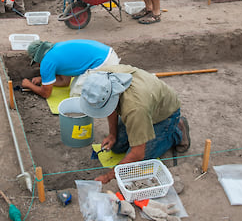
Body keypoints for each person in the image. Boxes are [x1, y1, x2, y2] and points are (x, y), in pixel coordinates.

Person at [60, 65, 191, 185]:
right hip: (146, 104)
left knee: (137, 162)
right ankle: (143, 130)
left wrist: (109, 176)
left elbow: (138, 153)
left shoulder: (135, 108)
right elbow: (111, 107)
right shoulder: (102, 79)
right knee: (116, 147)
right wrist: (112, 134)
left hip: (164, 115)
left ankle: (176, 131)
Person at [20, 39, 120, 98]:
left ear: (37, 58)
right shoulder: (55, 50)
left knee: (76, 93)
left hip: (103, 63)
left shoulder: (47, 62)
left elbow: (46, 93)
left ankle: (104, 94)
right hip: (108, 54)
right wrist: (43, 80)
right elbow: (65, 82)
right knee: (73, 86)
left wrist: (29, 85)